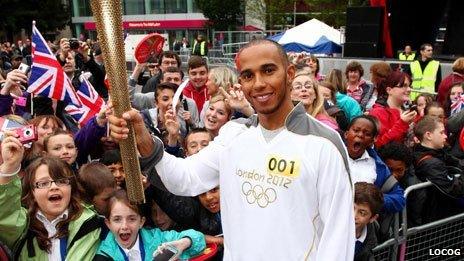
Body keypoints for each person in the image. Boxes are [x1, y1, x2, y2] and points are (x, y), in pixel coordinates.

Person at [108, 39, 354, 260]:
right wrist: (143, 137)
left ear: (289, 73)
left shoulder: (324, 143)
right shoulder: (235, 134)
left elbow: (338, 238)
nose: (259, 84)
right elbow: (185, 178)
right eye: (248, 75)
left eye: (268, 70)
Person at [0, 144, 101, 260]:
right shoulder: (23, 225)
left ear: (71, 188)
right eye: (43, 183)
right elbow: (4, 211)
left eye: (61, 181)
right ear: (32, 193)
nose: (53, 187)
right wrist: (9, 166)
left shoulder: (89, 222)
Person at [94, 189, 206, 260]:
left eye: (132, 219)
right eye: (117, 219)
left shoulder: (157, 239)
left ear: (141, 222)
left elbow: (198, 239)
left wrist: (184, 243)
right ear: (108, 223)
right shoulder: (103, 256)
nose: (124, 226)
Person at [413, 116, 464, 223]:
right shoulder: (430, 163)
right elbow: (454, 190)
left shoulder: (439, 152)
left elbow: (458, 163)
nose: (445, 136)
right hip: (438, 219)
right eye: (441, 133)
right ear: (428, 135)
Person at [369, 71, 418, 148]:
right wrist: (402, 123)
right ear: (389, 90)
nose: (409, 89)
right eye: (404, 86)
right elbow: (379, 144)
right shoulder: (377, 113)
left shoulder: (408, 110)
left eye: (409, 86)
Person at [353, 182, 383, 261]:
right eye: (351, 208)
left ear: (373, 218)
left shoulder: (372, 239)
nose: (353, 216)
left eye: (362, 213)